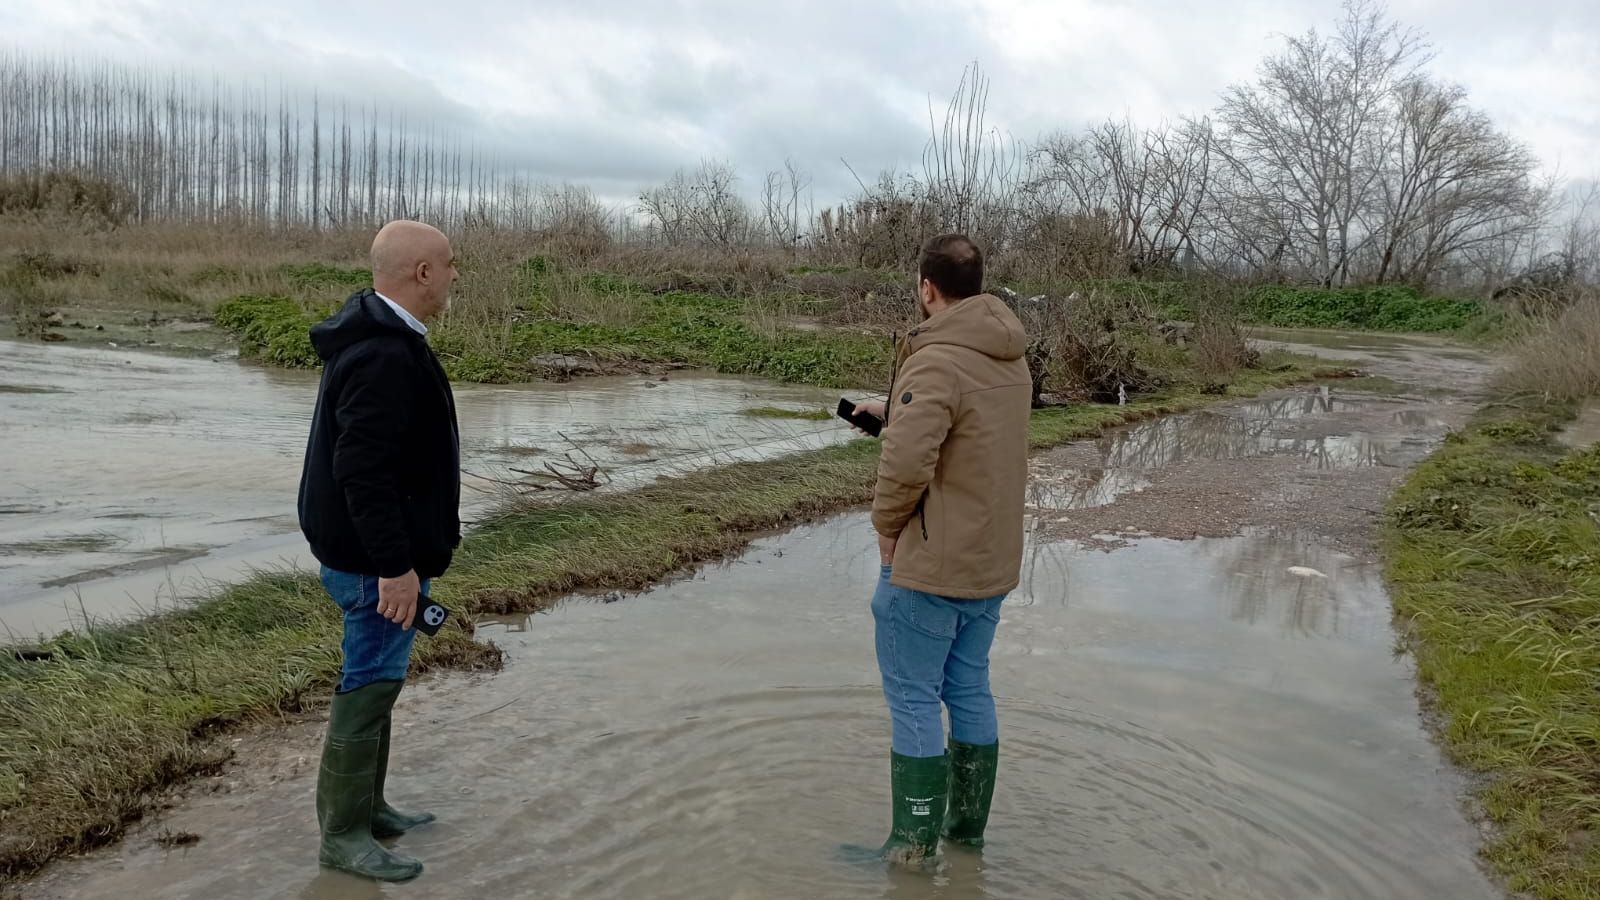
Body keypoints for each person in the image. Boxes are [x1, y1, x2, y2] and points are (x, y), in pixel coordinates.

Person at [853, 234, 1031, 863]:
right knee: (970, 688)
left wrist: (885, 530)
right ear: (979, 287)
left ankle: (911, 846)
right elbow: (970, 440)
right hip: (994, 559)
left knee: (912, 697)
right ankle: (965, 835)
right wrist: (893, 411)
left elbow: (907, 463)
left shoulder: (935, 360)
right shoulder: (1010, 355)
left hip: (931, 565)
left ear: (926, 289)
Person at [297, 220, 461, 882]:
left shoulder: (384, 341)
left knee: (383, 680)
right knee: (367, 684)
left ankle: (371, 807)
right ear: (422, 272)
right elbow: (360, 472)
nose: (454, 276)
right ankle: (343, 837)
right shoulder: (384, 355)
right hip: (373, 564)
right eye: (448, 265)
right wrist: (395, 567)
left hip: (375, 557)